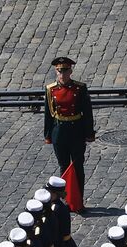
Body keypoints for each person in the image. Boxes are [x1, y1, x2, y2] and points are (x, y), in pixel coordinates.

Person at [43, 56, 94, 212]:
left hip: (76, 131)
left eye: (65, 71)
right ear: (56, 71)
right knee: (63, 166)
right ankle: (66, 200)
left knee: (77, 167)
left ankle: (78, 201)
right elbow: (48, 113)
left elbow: (87, 112)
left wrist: (89, 133)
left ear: (70, 71)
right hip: (59, 131)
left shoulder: (79, 88)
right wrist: (48, 134)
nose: (62, 75)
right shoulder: (51, 89)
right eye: (59, 71)